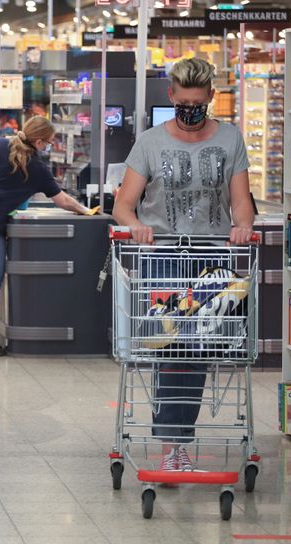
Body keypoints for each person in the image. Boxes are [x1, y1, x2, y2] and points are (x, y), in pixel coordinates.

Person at [112, 57, 255, 472]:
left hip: (212, 258)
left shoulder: (230, 139)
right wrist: (136, 227)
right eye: (183, 101)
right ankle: (174, 444)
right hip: (163, 258)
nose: (190, 109)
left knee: (196, 348)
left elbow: (241, 200)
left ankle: (175, 440)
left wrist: (243, 226)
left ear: (211, 96)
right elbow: (124, 205)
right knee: (169, 346)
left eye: (198, 101)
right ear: (171, 96)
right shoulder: (151, 142)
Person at [0, 116, 90, 357]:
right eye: (48, 143)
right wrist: (85, 211)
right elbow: (62, 200)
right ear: (38, 141)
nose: (48, 147)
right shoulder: (36, 167)